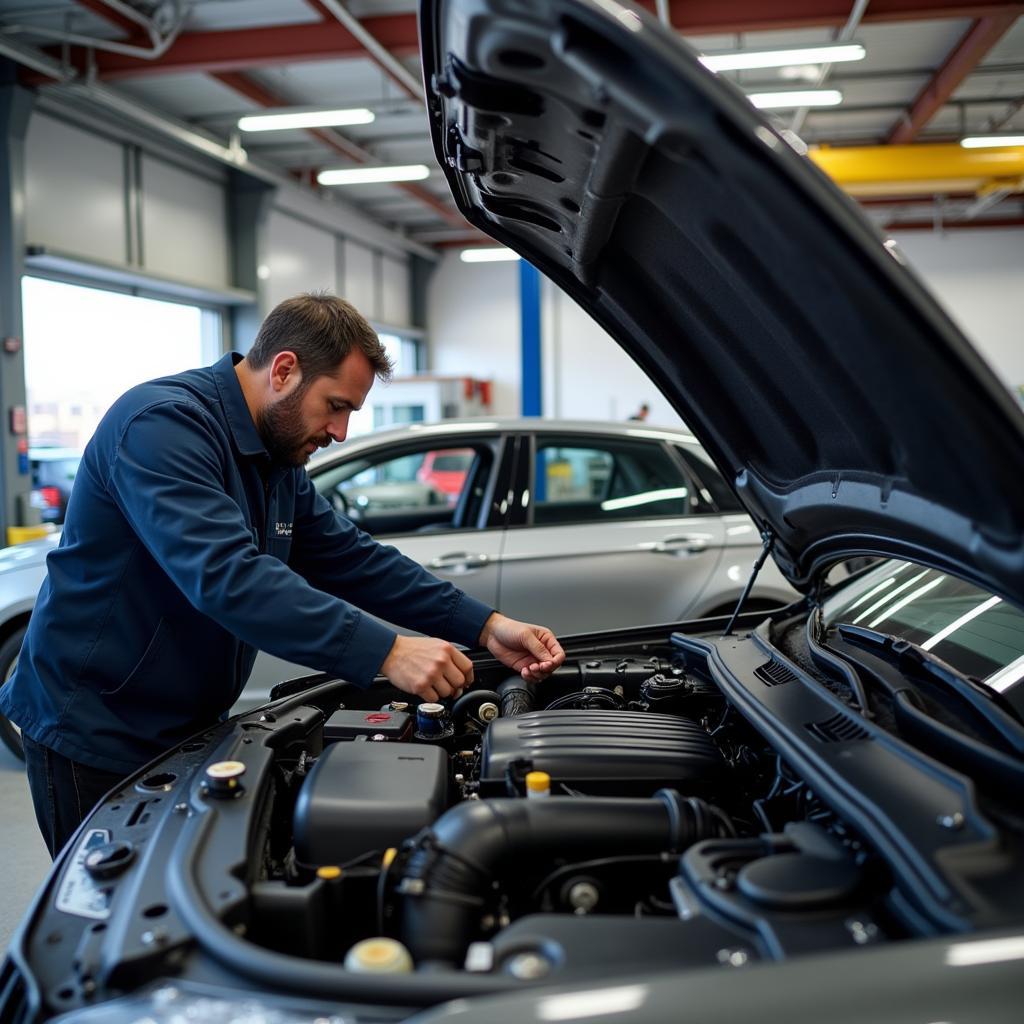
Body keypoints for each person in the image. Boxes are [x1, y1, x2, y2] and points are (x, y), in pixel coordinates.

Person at [0, 293, 565, 857]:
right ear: (285, 369)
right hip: (98, 729)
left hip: (185, 721)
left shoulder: (273, 457)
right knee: (110, 919)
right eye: (335, 405)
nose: (341, 432)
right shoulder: (162, 426)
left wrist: (486, 625)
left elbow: (351, 557)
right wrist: (389, 652)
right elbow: (228, 577)